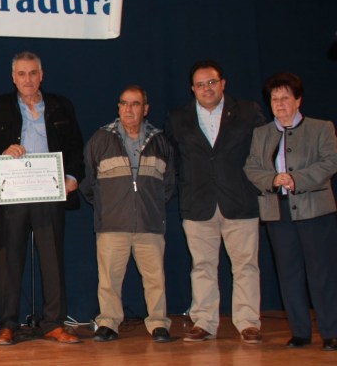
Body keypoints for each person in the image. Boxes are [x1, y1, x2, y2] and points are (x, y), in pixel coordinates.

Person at [0, 51, 84, 345]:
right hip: (13, 193)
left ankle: (53, 323)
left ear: (41, 76)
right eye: (21, 74)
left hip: (49, 192)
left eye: (32, 73)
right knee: (9, 260)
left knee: (52, 260)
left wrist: (72, 177)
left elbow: (75, 147)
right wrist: (3, 152)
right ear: (13, 78)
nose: (27, 79)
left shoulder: (60, 106)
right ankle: (6, 325)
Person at [164, 60, 265, 343]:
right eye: (200, 84)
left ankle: (248, 323)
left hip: (240, 200)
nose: (206, 88)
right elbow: (173, 159)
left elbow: (262, 151)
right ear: (192, 89)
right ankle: (204, 322)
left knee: (246, 265)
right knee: (202, 266)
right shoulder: (177, 118)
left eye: (211, 82)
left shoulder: (248, 111)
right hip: (197, 203)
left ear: (223, 83)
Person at [244, 72, 337, 351]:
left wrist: (298, 179)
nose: (280, 103)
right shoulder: (261, 133)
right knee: (289, 274)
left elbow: (330, 162)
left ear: (298, 100)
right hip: (278, 212)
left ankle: (331, 332)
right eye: (274, 99)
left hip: (315, 211)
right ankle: (300, 332)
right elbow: (251, 168)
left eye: (285, 98)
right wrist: (273, 179)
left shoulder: (321, 128)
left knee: (322, 274)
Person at [81, 85, 175, 343]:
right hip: (112, 225)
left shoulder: (160, 141)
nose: (128, 109)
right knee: (109, 280)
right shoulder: (101, 139)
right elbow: (88, 184)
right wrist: (109, 207)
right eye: (124, 103)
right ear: (118, 107)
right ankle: (108, 323)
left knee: (155, 279)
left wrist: (150, 207)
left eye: (135, 104)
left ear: (146, 109)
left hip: (149, 224)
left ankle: (158, 323)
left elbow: (168, 186)